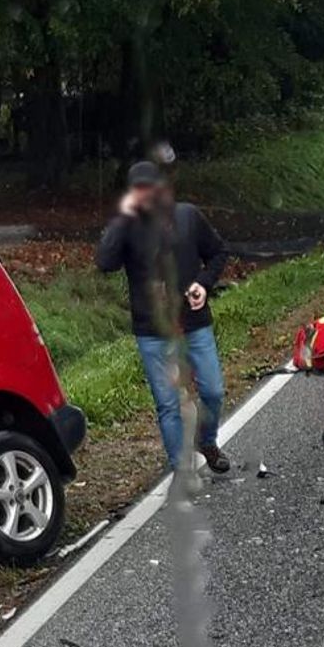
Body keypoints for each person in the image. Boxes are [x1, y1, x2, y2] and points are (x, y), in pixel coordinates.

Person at [95, 161, 231, 473]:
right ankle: (180, 470)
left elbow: (219, 252)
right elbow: (104, 262)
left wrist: (203, 283)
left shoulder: (188, 216)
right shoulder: (127, 227)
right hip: (151, 331)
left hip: (194, 323)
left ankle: (206, 440)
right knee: (168, 404)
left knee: (212, 390)